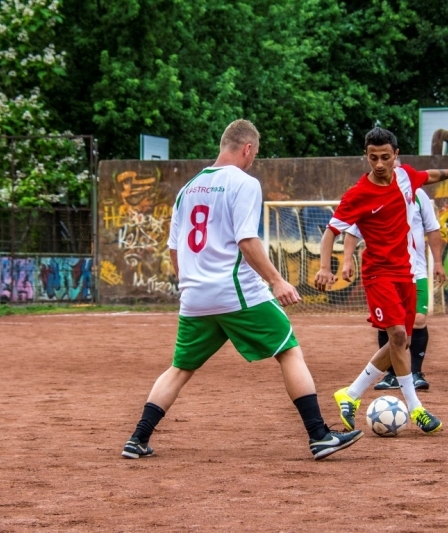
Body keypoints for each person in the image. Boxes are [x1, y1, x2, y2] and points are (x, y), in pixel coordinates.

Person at [121, 119, 363, 461]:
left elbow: (174, 247)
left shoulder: (188, 187)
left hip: (194, 296)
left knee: (180, 367)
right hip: (235, 291)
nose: (254, 159)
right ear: (247, 148)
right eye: (255, 153)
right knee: (288, 349)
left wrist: (189, 284)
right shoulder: (243, 183)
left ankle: (137, 439)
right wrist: (277, 281)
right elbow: (246, 240)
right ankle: (319, 435)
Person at [314, 127, 448, 434]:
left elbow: (430, 174)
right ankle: (416, 408)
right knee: (396, 335)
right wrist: (326, 267)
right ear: (366, 157)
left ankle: (351, 394)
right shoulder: (358, 194)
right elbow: (331, 232)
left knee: (402, 341)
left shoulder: (405, 176)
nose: (379, 164)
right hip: (377, 273)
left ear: (395, 155)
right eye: (372, 158)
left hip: (406, 273)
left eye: (384, 157)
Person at [341, 184, 447, 391]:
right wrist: (347, 261)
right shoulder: (369, 194)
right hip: (383, 273)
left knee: (418, 319)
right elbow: (352, 232)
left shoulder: (417, 193)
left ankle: (416, 372)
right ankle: (391, 374)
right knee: (388, 326)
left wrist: (438, 262)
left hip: (416, 271)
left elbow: (433, 228)